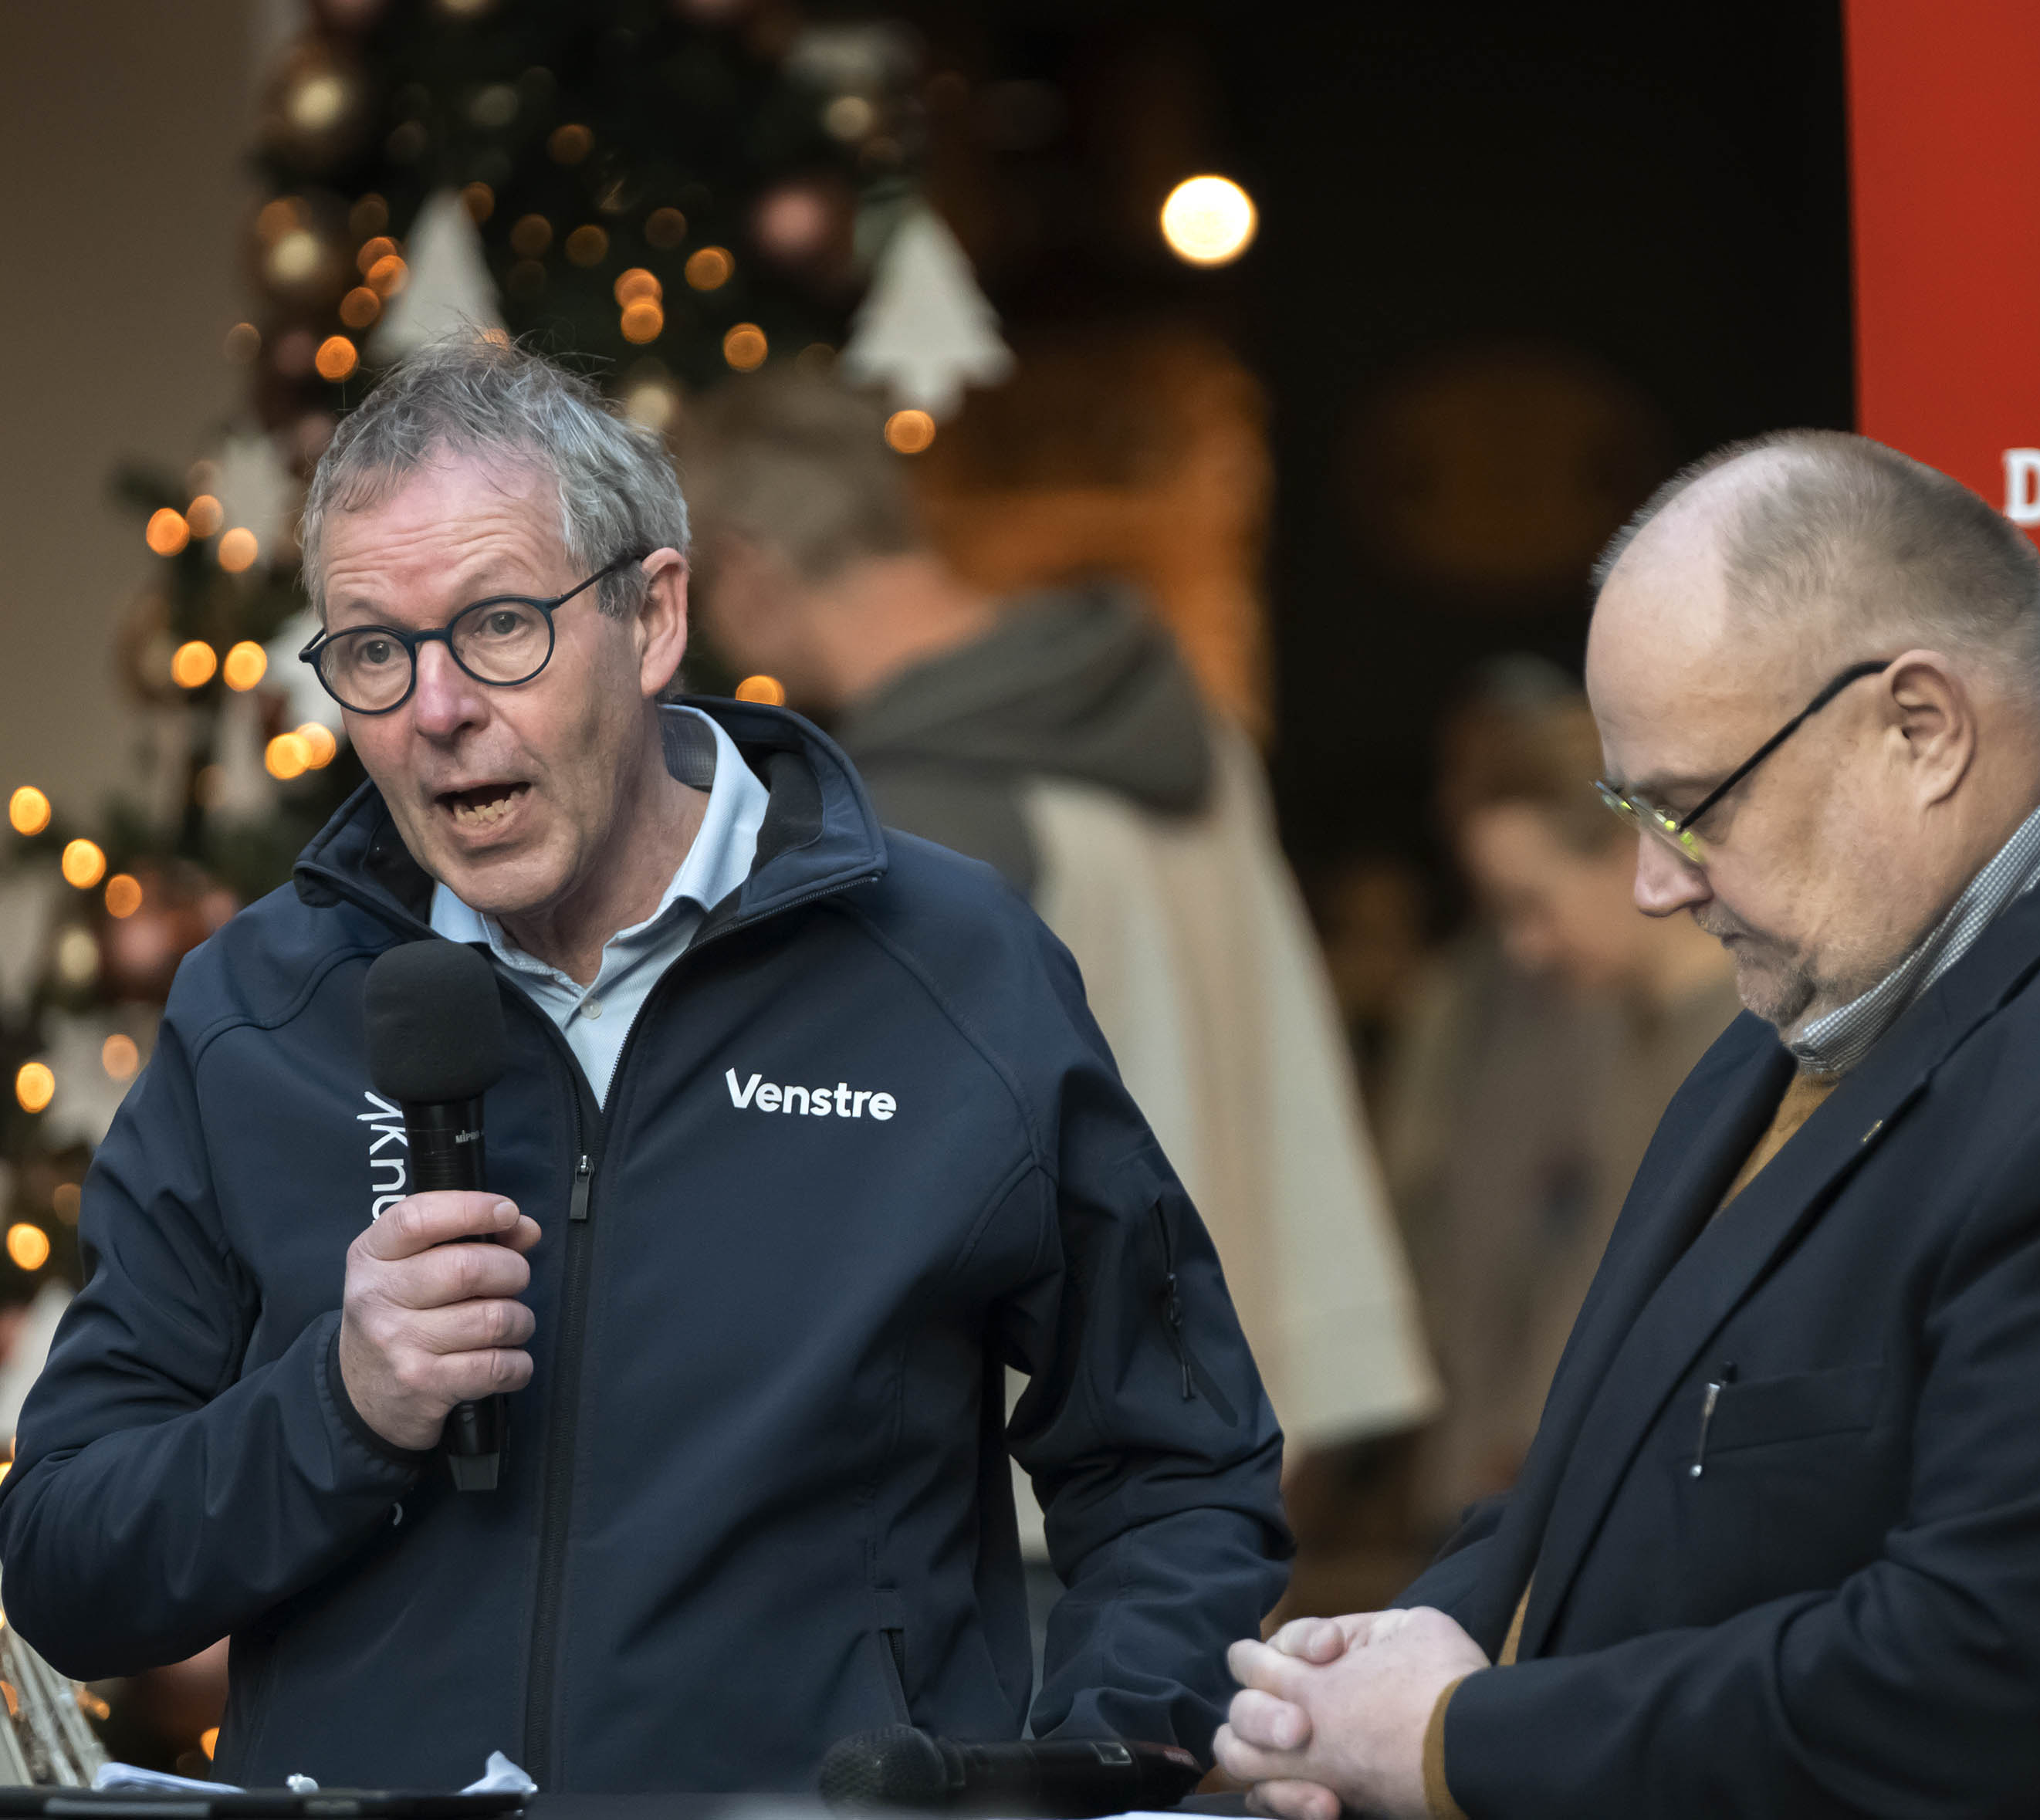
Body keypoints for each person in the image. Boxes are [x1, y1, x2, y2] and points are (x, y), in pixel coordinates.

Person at [0, 338, 1288, 1793]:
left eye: (498, 625)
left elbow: (1174, 1465)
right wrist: (339, 1405)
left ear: (653, 615)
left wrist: (1081, 1777)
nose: (435, 709)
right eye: (372, 649)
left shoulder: (946, 967)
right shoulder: (258, 1008)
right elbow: (65, 1561)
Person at [1213, 431, 2040, 1818]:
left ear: (1921, 729)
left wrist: (1450, 1736)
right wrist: (1406, 1655)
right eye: (1627, 808)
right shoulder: (1828, 993)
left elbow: (1973, 1694)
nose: (1657, 882)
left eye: (1687, 807)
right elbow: (1630, 1460)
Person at [676, 370, 1433, 1467]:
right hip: (1222, 1382)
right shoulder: (1183, 716)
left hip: (1048, 1450)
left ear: (743, 565)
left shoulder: (908, 816)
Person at [1380, 661, 1734, 1541]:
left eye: (1531, 905)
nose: (1525, 949)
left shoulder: (1744, 1044)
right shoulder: (1630, 1030)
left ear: (1629, 856)